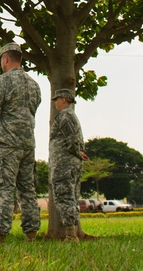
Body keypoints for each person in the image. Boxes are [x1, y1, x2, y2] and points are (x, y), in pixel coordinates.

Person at [0, 42, 42, 244]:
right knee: (28, 190)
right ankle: (31, 235)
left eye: (1, 59)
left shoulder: (3, 82)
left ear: (6, 59)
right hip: (28, 144)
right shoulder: (34, 84)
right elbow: (33, 110)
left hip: (6, 144)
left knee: (3, 189)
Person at [49, 89, 89, 242]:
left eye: (56, 99)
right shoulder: (71, 116)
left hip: (64, 163)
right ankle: (72, 234)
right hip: (70, 163)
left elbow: (71, 139)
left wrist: (78, 153)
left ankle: (71, 236)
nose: (55, 102)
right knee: (71, 197)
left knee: (64, 197)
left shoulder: (65, 116)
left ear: (64, 99)